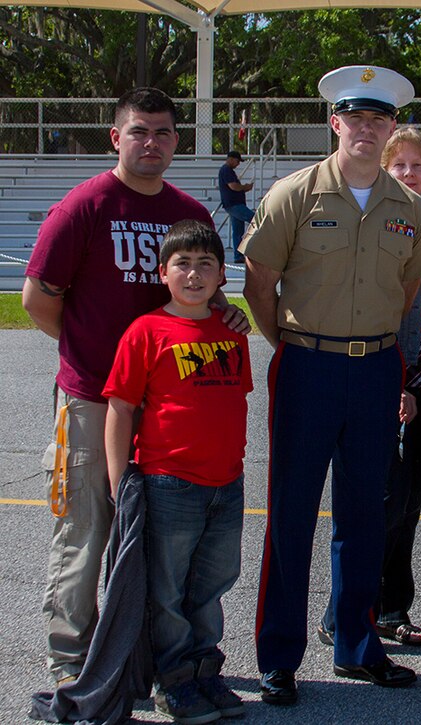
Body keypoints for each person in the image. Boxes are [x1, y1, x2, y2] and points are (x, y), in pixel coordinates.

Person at [22, 87, 246, 689]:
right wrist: (90, 357)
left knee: (155, 539)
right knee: (88, 529)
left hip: (165, 406)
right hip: (96, 399)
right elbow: (38, 300)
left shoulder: (184, 211)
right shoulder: (87, 206)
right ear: (115, 137)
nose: (152, 143)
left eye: (164, 133)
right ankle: (72, 661)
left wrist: (225, 312)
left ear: (178, 140)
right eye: (139, 131)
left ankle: (150, 656)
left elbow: (203, 291)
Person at [242, 65, 421, 705]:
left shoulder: (408, 207)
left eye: (378, 119)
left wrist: (361, 348)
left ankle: (357, 645)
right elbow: (259, 287)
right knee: (291, 516)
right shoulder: (293, 195)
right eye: (355, 117)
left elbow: (408, 293)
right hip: (308, 366)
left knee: (364, 515)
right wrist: (298, 347)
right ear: (335, 122)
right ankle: (278, 656)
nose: (366, 128)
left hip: (376, 367)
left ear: (391, 129)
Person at [102, 221, 252, 723]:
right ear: (163, 272)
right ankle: (175, 680)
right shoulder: (146, 331)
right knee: (167, 591)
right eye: (182, 264)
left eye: (206, 264)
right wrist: (118, 477)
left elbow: (233, 402)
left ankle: (206, 668)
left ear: (220, 276)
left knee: (212, 584)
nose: (194, 273)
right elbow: (121, 407)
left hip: (227, 483)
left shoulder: (231, 332)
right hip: (170, 482)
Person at [313, 126, 421, 649]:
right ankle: (343, 611)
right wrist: (399, 384)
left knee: (407, 501)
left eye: (418, 166)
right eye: (400, 166)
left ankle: (390, 607)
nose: (409, 174)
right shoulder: (376, 221)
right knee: (377, 500)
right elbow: (398, 315)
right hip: (386, 379)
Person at [217, 150, 254, 263]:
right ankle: (256, 249)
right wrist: (245, 187)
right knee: (255, 219)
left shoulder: (227, 170)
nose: (238, 164)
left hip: (233, 204)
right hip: (234, 204)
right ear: (231, 159)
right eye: (237, 161)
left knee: (237, 231)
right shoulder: (226, 170)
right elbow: (233, 186)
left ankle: (238, 256)